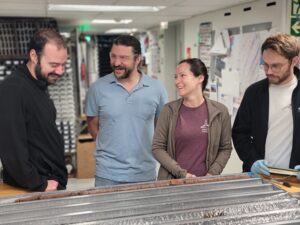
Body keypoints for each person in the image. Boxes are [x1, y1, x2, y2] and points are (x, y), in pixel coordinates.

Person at [85, 35, 168, 186]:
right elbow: (92, 124)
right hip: (107, 174)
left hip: (144, 173)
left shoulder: (157, 89)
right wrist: (110, 146)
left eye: (123, 58)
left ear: (138, 60)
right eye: (113, 56)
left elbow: (162, 127)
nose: (116, 63)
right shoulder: (97, 88)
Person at [0, 29, 68, 191]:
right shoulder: (13, 89)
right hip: (33, 189)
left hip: (49, 184)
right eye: (54, 65)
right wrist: (40, 184)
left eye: (63, 64)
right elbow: (11, 147)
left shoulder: (38, 85)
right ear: (34, 56)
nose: (60, 71)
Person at [232, 33, 300, 177]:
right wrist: (252, 160)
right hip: (260, 177)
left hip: (295, 180)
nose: (269, 71)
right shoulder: (254, 93)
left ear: (294, 61)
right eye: (265, 65)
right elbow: (239, 133)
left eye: (276, 66)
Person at [152, 58, 232, 180]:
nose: (177, 81)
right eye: (175, 77)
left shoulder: (220, 111)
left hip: (207, 186)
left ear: (200, 78)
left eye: (182, 76)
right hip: (173, 185)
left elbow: (225, 148)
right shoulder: (168, 110)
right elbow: (157, 148)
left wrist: (212, 175)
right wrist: (182, 174)